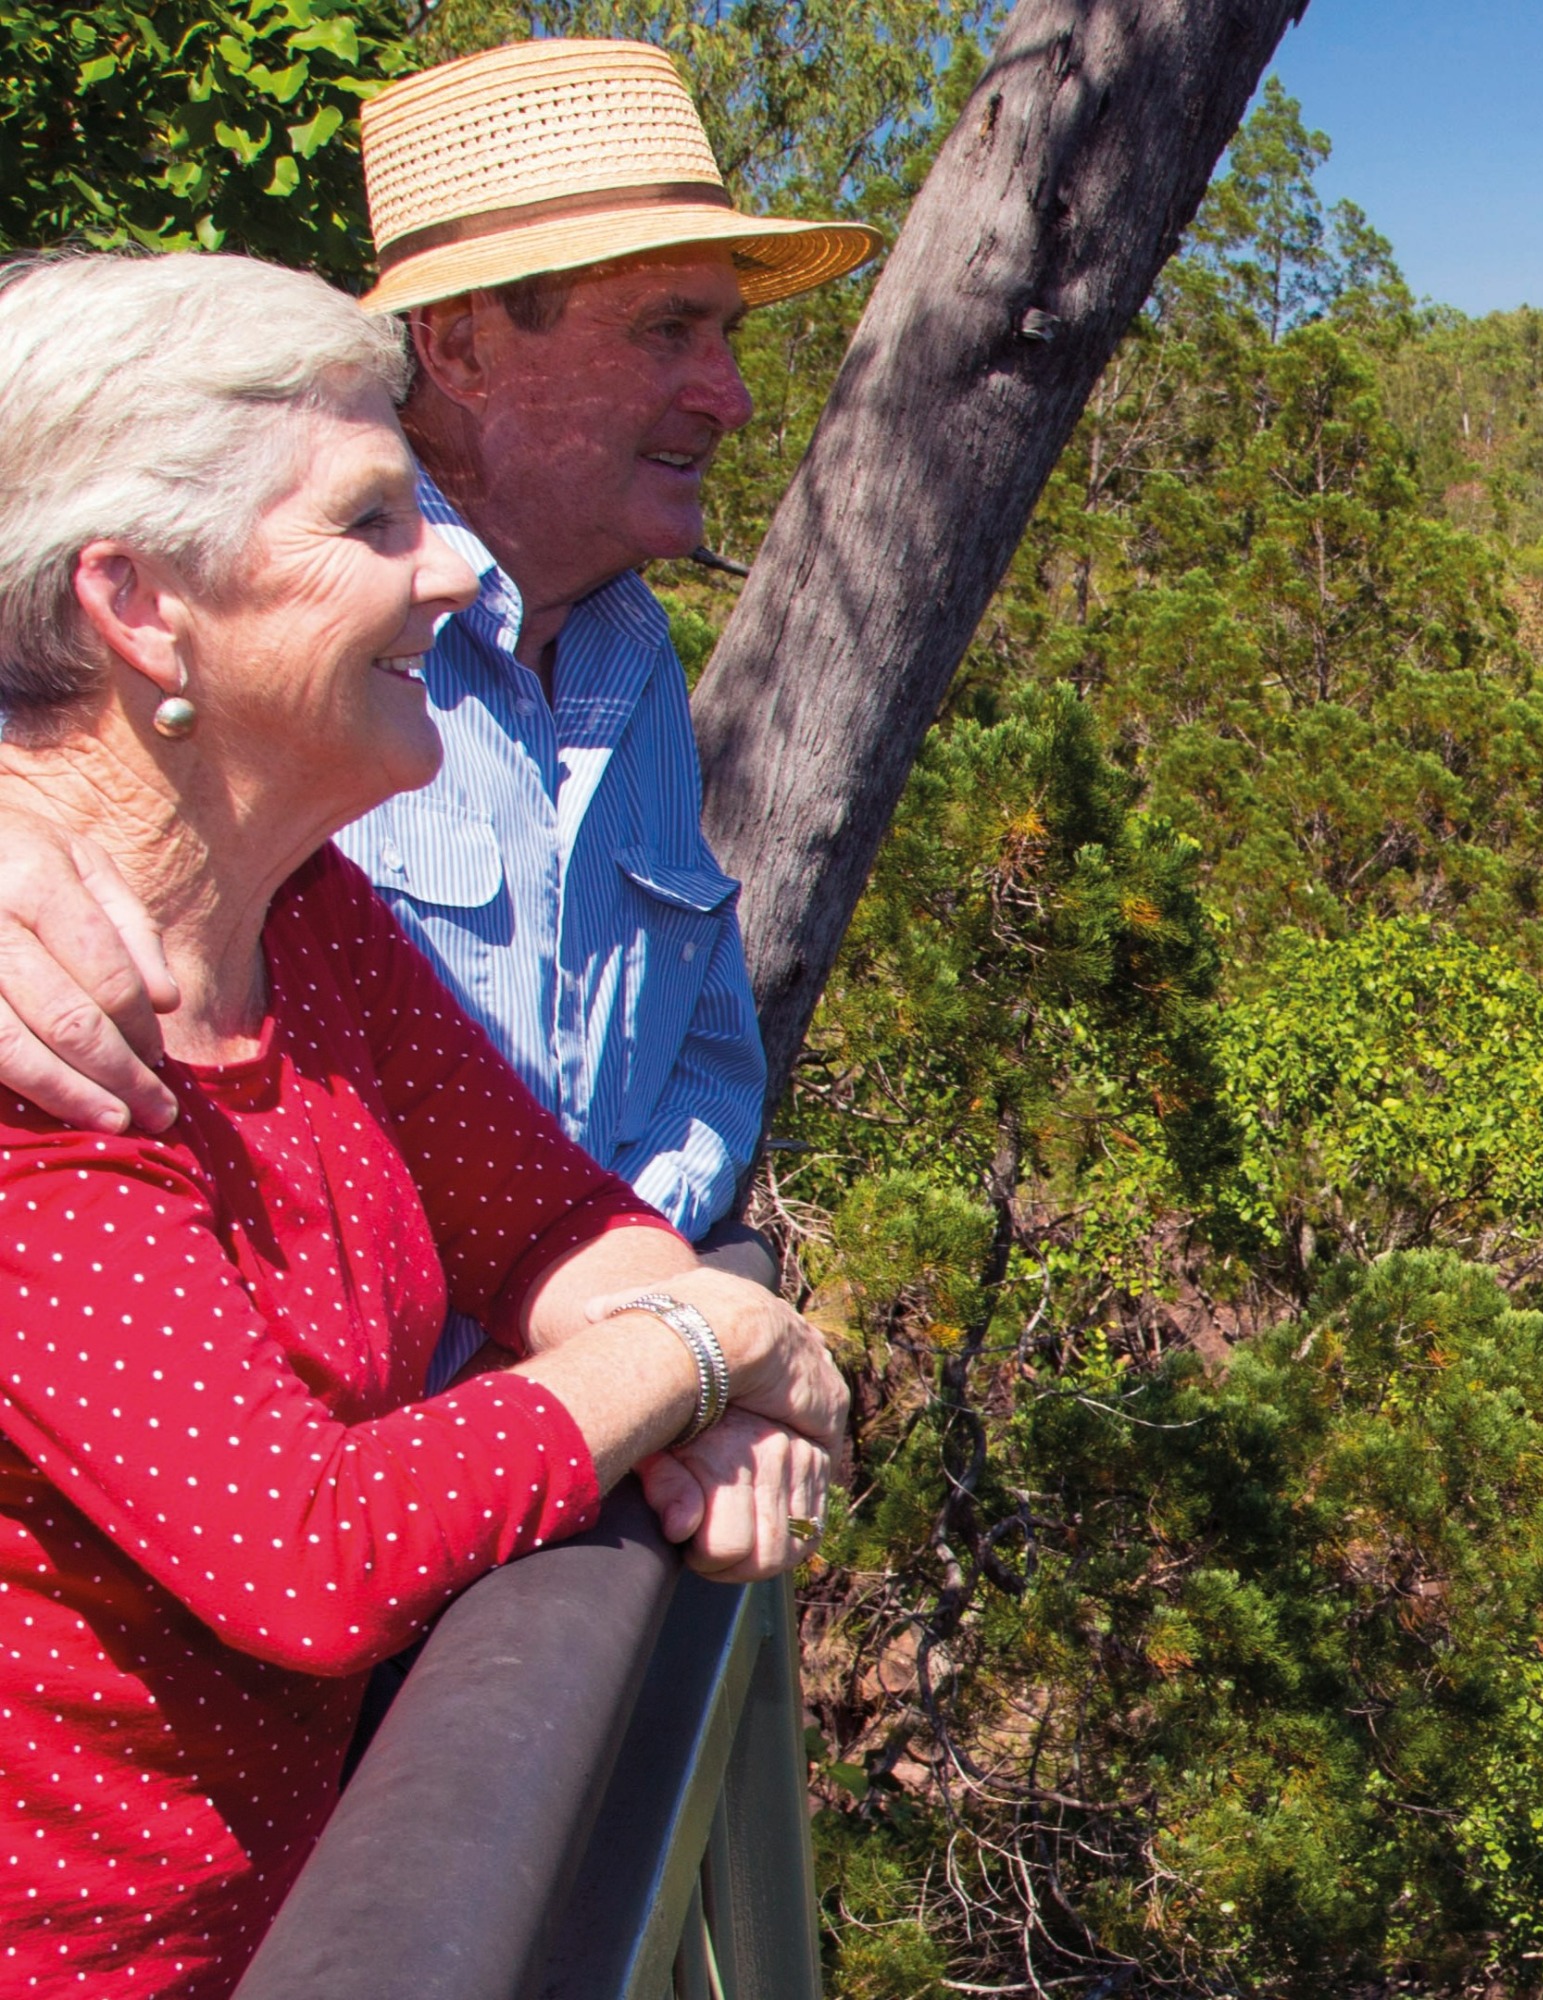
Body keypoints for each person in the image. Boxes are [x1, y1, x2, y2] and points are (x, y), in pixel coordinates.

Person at [0, 251, 848, 1995]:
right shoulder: (41, 1063)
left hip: (310, 1888)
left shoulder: (300, 919)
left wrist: (667, 1341)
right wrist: (704, 1340)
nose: (449, 569)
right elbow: (308, 1546)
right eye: (376, 521)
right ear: (140, 607)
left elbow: (540, 1212)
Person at [0, 37, 881, 1388]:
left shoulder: (628, 657)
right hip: (295, 1507)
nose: (731, 394)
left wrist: (666, 1333)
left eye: (726, 333)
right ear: (460, 344)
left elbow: (699, 1068)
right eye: (666, 330)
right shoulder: (257, 618)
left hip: (571, 1455)